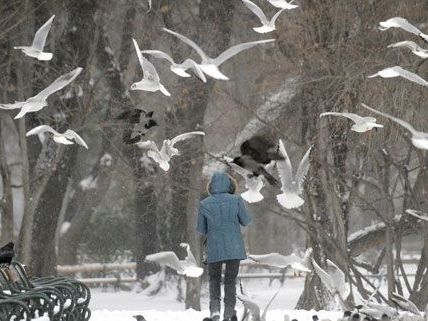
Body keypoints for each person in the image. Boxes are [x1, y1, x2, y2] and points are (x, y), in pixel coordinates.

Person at [197, 172, 252, 321]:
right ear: (230, 185)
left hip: (214, 248)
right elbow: (246, 221)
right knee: (230, 281)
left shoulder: (204, 204)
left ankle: (214, 311)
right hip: (234, 247)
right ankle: (228, 313)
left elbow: (201, 230)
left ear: (211, 186)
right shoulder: (236, 200)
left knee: (214, 280)